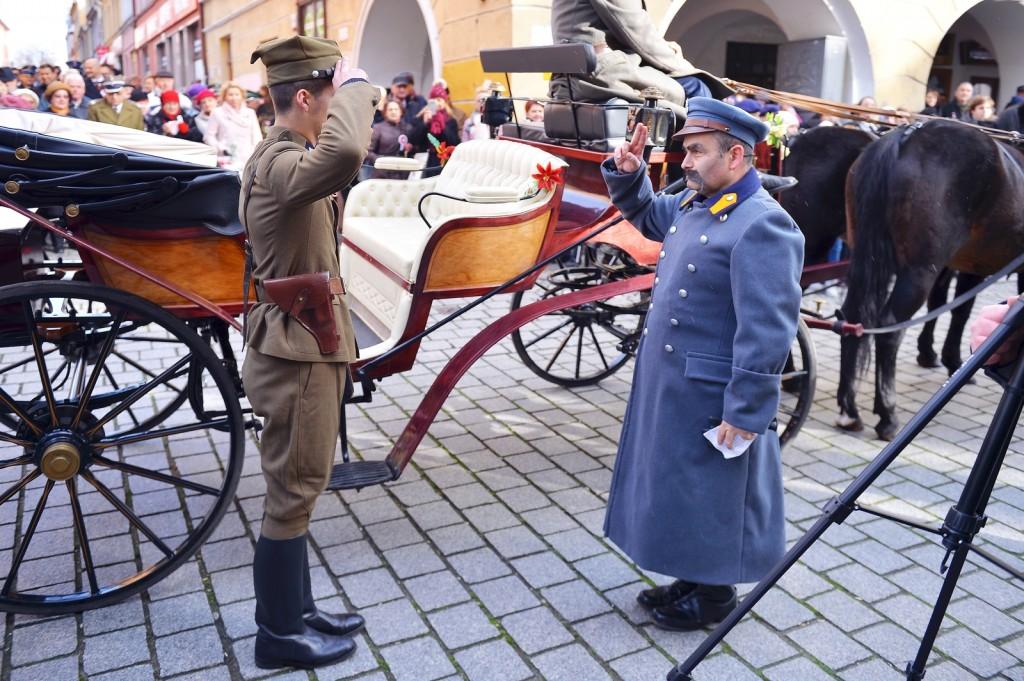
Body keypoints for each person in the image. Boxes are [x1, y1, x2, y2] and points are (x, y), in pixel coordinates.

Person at [600, 97, 803, 631]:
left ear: (736, 155)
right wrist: (630, 176)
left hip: (715, 392)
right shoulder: (698, 203)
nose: (685, 162)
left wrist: (746, 411)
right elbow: (647, 215)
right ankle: (693, 574)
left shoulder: (763, 226)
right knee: (683, 487)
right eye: (685, 150)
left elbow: (767, 333)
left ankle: (715, 598)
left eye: (696, 151)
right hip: (675, 383)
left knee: (715, 492)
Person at [242, 35, 378, 671]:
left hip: (308, 338)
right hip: (295, 352)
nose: (338, 109)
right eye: (331, 97)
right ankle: (278, 635)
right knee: (293, 489)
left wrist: (343, 91)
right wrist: (360, 87)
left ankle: (297, 610)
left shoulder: (288, 153)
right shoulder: (280, 162)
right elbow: (348, 149)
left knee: (304, 480)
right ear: (304, 96)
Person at [550, 0, 731, 120]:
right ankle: (689, 175)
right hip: (601, 72)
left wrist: (665, 48)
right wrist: (684, 66)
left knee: (694, 88)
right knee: (698, 88)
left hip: (587, 69)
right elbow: (636, 30)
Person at [204, 81, 263, 170]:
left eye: (237, 94)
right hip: (227, 158)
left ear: (242, 96)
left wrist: (256, 153)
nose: (234, 97)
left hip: (248, 157)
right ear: (224, 96)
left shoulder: (250, 113)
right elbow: (209, 136)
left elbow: (257, 136)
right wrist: (220, 148)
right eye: (230, 94)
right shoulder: (217, 113)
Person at [411, 82, 459, 172]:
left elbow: (454, 142)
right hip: (425, 160)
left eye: (440, 100)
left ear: (445, 102)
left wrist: (442, 124)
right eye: (435, 100)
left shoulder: (451, 121)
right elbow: (413, 140)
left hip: (444, 161)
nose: (437, 103)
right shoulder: (421, 118)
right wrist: (425, 123)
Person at [366, 100, 413, 179]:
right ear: (385, 113)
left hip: (403, 172)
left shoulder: (408, 128)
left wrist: (411, 147)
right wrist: (379, 160)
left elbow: (416, 148)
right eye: (390, 109)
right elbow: (367, 151)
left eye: (396, 109)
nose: (393, 112)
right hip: (383, 172)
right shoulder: (378, 128)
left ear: (401, 111)